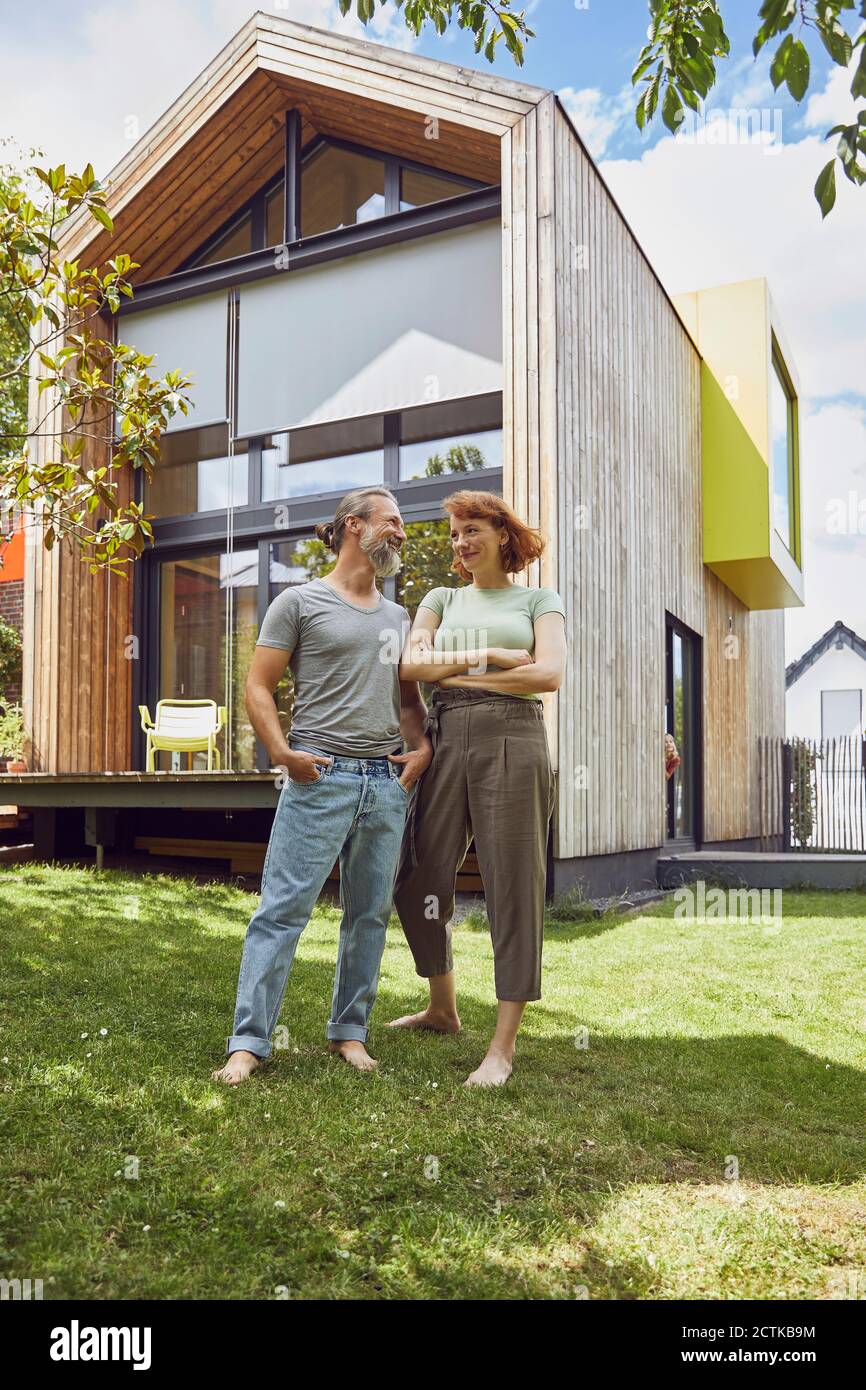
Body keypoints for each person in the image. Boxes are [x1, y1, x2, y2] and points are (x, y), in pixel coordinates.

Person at [213, 487, 432, 1086]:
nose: (402, 533)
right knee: (281, 911)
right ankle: (249, 1042)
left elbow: (407, 699)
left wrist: (423, 748)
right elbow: (258, 685)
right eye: (392, 522)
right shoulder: (299, 602)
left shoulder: (398, 617)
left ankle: (350, 1032)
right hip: (320, 777)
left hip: (383, 783)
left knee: (368, 916)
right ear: (354, 526)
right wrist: (282, 752)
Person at [390, 491, 567, 1087]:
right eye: (455, 534)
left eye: (473, 531)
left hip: (515, 739)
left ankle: (502, 1046)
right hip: (444, 736)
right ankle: (443, 1008)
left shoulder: (540, 599)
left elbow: (548, 674)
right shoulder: (440, 597)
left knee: (511, 881)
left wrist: (456, 667)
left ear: (501, 532)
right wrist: (494, 657)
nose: (462, 544)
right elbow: (412, 667)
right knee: (418, 874)